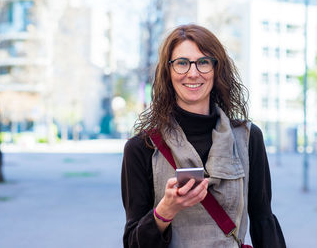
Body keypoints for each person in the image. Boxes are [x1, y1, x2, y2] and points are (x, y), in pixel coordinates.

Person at [121, 24, 286, 248]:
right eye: (181, 63)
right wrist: (165, 210)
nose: (193, 72)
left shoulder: (248, 138)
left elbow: (263, 221)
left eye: (203, 62)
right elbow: (133, 243)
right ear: (168, 72)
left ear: (216, 69)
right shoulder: (142, 147)